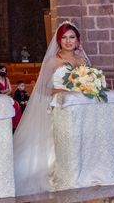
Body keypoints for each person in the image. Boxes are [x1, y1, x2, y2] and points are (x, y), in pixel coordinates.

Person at [12, 21, 90, 196]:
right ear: (58, 40)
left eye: (72, 37)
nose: (68, 41)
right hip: (58, 107)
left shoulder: (82, 60)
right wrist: (63, 90)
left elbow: (88, 84)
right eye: (64, 37)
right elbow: (41, 89)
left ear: (77, 41)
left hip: (78, 109)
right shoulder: (53, 61)